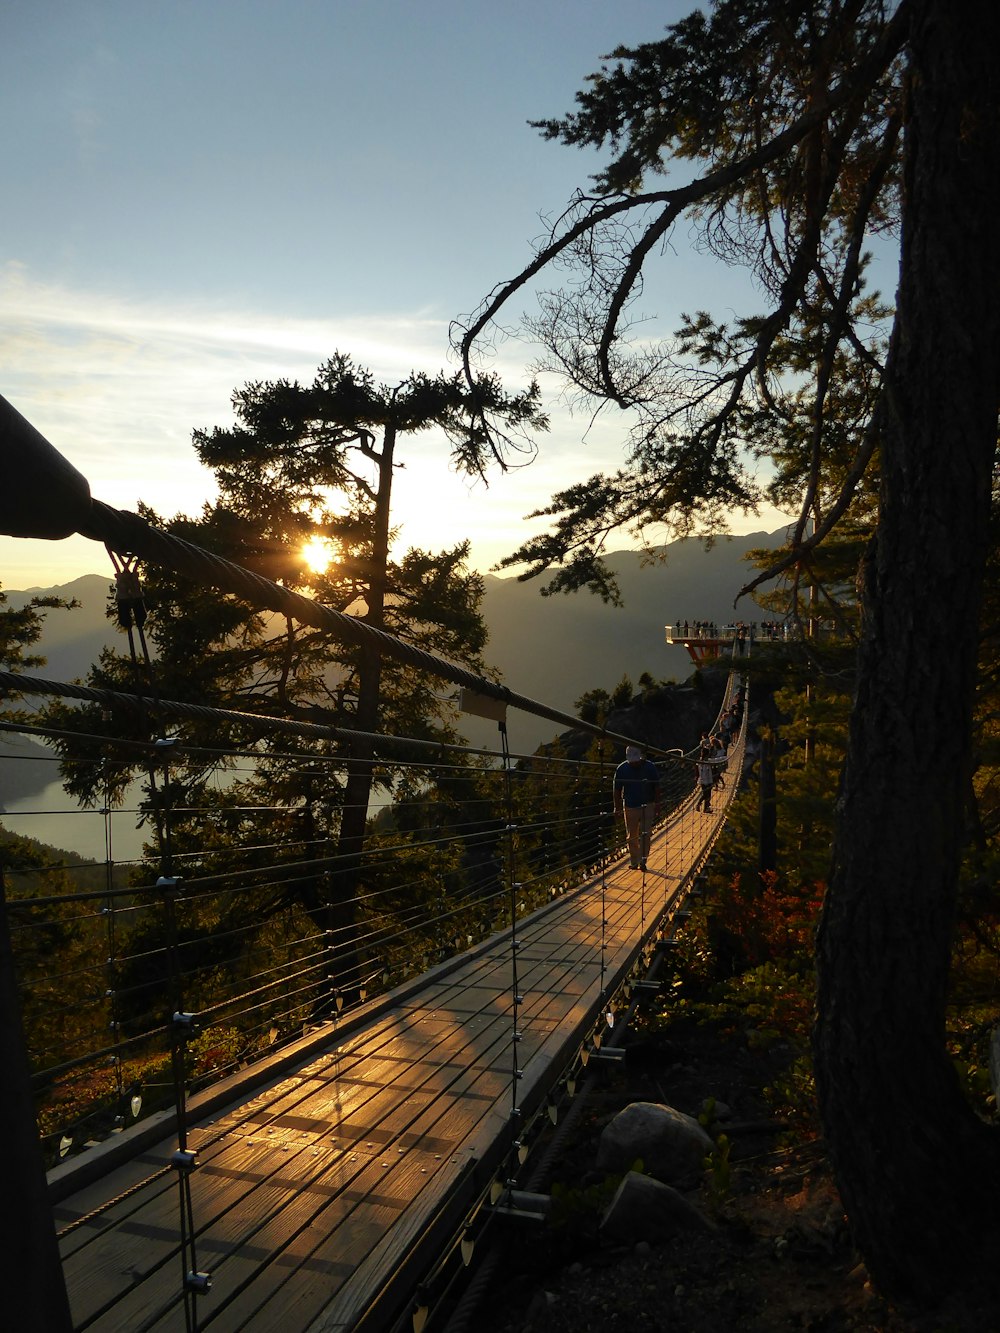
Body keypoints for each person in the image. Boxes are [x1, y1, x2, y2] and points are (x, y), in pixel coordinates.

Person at [612, 745, 661, 871]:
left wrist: (657, 804)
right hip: (630, 805)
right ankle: (635, 861)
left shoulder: (650, 766)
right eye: (632, 762)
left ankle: (643, 860)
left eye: (636, 761)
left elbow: (656, 786)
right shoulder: (621, 769)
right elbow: (617, 790)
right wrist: (617, 807)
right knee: (632, 835)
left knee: (646, 834)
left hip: (648, 804)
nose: (634, 764)